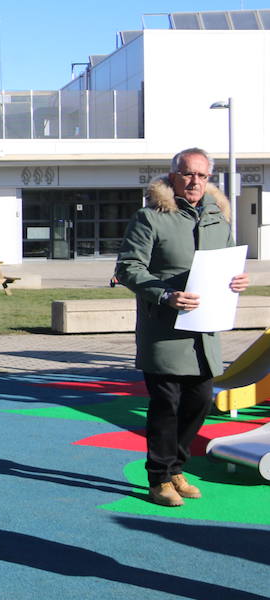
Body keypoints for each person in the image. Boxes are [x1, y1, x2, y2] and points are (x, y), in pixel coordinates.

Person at [114, 147, 248, 507]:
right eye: (188, 174)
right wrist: (165, 294)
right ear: (173, 176)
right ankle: (158, 478)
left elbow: (227, 264)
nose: (195, 181)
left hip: (205, 331)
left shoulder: (219, 218)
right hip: (165, 331)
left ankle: (175, 467)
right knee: (166, 406)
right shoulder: (150, 217)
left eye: (202, 175)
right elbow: (127, 267)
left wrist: (236, 281)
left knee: (200, 401)